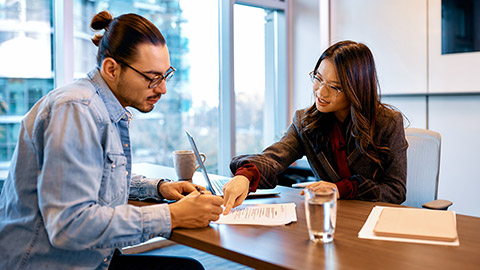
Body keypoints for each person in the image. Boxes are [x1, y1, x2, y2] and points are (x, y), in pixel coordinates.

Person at [0, 11, 223, 270]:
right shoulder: (77, 110)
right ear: (111, 69)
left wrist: (159, 188)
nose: (162, 88)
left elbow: (100, 179)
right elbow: (69, 225)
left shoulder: (104, 108)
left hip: (92, 258)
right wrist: (171, 216)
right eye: (153, 77)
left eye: (166, 75)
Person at [222, 40, 408, 214]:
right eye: (318, 78)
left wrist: (342, 189)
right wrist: (245, 176)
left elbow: (395, 190)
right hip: (330, 216)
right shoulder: (305, 121)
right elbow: (274, 157)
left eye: (334, 87)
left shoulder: (388, 122)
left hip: (373, 218)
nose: (320, 92)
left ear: (356, 89)